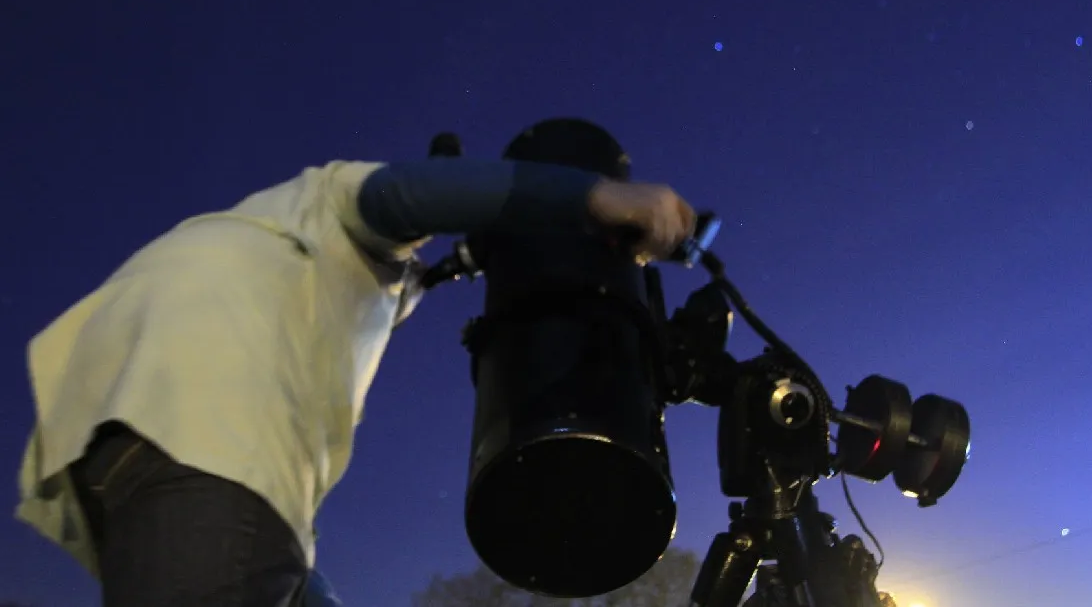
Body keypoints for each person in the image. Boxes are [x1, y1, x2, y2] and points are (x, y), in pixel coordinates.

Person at [15, 155, 696, 607]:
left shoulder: (258, 251)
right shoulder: (325, 201)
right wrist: (593, 196)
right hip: (207, 444)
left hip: (108, 446)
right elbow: (406, 193)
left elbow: (253, 552)